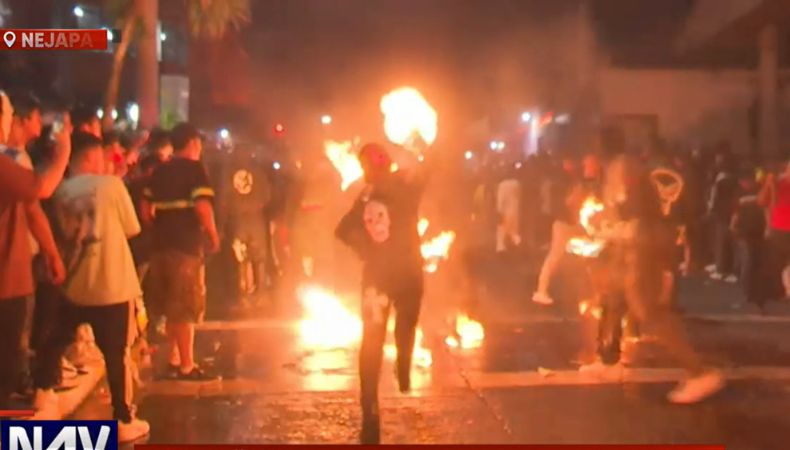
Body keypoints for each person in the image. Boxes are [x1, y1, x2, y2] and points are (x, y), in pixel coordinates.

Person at [30, 132, 149, 441]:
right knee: (116, 354)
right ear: (93, 158)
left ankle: (43, 396)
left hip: (73, 283)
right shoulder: (111, 186)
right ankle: (122, 419)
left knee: (55, 341)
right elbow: (132, 228)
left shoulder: (61, 192)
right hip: (113, 284)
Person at [589, 154, 724, 403]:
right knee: (614, 299)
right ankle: (609, 361)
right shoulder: (632, 189)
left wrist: (613, 233)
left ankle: (700, 372)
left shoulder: (639, 190)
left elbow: (645, 227)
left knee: (650, 313)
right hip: (637, 251)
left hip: (644, 252)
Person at [335, 143, 428, 444]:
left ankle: (370, 406)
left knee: (373, 341)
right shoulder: (405, 185)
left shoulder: (366, 194)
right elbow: (428, 169)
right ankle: (402, 369)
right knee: (405, 326)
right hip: (407, 274)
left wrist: (365, 249)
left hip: (379, 277)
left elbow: (343, 229)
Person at [0, 100, 71, 411]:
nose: (10, 121)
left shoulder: (11, 162)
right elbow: (40, 190)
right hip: (6, 280)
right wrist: (64, 153)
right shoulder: (4, 163)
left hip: (15, 276)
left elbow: (30, 207)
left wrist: (51, 251)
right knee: (6, 357)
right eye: (8, 115)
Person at [141, 123, 220, 380]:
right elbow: (202, 206)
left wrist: (160, 224)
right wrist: (212, 234)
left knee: (169, 305)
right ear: (193, 142)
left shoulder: (160, 170)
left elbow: (145, 208)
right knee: (185, 306)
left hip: (160, 246)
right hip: (185, 246)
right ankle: (187, 365)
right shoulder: (195, 170)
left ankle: (175, 359)